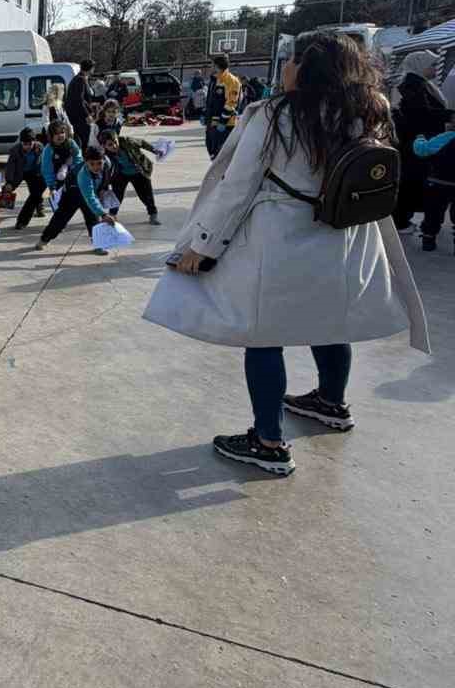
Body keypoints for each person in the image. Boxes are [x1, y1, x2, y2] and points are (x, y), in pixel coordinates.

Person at [145, 33, 428, 478]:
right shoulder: (371, 108)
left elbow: (236, 188)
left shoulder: (276, 114)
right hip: (346, 235)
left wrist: (201, 246)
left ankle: (268, 441)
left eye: (291, 61)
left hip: (281, 240)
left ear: (308, 67)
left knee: (263, 335)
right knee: (333, 323)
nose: (285, 69)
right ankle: (331, 402)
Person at [392, 50, 449, 232]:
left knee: (413, 181)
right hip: (414, 143)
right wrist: (450, 116)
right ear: (420, 66)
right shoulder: (412, 85)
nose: (435, 69)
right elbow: (421, 114)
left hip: (418, 141)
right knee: (411, 181)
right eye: (432, 65)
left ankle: (403, 219)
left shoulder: (419, 83)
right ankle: (401, 221)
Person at [35, 136, 108, 251]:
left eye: (99, 163)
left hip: (90, 191)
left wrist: (103, 189)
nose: (96, 167)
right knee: (60, 219)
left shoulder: (107, 164)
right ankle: (44, 239)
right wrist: (103, 214)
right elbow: (89, 197)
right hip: (72, 192)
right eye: (92, 164)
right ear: (85, 162)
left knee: (93, 219)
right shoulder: (83, 174)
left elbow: (105, 179)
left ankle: (98, 245)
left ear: (104, 160)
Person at [99, 129, 160, 224]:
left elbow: (142, 143)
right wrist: (104, 186)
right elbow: (104, 173)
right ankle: (112, 215)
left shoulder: (127, 141)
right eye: (110, 145)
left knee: (146, 195)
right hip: (121, 175)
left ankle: (153, 214)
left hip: (139, 171)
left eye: (115, 142)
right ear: (104, 146)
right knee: (117, 195)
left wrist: (154, 150)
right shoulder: (104, 156)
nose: (114, 146)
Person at [414, 123, 455, 252]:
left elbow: (422, 150)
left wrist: (420, 138)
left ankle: (428, 240)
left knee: (433, 212)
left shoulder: (447, 137)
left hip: (438, 181)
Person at [4, 128, 46, 229]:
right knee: (6, 189)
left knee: (36, 192)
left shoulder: (40, 147)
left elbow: (44, 163)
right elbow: (10, 167)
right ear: (21, 142)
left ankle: (25, 218)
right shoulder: (15, 150)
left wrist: (45, 177)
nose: (27, 146)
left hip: (34, 173)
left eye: (30, 143)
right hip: (19, 173)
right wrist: (9, 182)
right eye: (24, 144)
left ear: (34, 141)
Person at [204, 54, 242, 159]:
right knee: (212, 150)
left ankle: (223, 175)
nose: (211, 67)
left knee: (222, 155)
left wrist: (222, 122)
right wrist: (205, 114)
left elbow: (231, 103)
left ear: (217, 66)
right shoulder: (215, 80)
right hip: (212, 123)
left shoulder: (231, 81)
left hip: (224, 125)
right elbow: (211, 101)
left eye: (212, 65)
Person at [66, 59, 94, 150]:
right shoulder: (80, 79)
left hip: (77, 117)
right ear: (90, 69)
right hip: (80, 118)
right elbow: (79, 99)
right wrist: (87, 115)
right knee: (84, 142)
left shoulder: (78, 78)